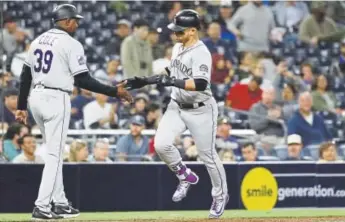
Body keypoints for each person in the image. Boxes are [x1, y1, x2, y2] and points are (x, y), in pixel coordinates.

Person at [14, 4, 133, 220]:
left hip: (36, 98)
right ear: (66, 21)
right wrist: (114, 91)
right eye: (75, 20)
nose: (77, 24)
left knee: (54, 152)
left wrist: (21, 106)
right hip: (56, 98)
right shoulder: (71, 43)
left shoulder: (37, 40)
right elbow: (82, 79)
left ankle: (60, 203)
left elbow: (25, 76)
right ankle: (42, 206)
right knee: (54, 155)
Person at [124, 10, 229, 218]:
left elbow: (200, 83)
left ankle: (220, 195)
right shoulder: (177, 47)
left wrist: (174, 82)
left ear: (192, 30)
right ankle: (184, 175)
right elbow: (171, 73)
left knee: (207, 155)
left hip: (201, 109)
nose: (175, 35)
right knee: (161, 145)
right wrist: (145, 80)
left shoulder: (201, 52)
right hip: (177, 105)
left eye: (180, 32)